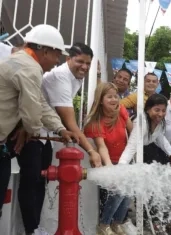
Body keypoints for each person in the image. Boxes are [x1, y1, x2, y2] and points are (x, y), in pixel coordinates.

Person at [0, 25, 78, 235]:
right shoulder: (30, 68)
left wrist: (61, 129)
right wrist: (31, 129)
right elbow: (33, 114)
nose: (57, 61)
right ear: (45, 50)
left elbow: (41, 105)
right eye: (56, 55)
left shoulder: (22, 63)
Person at [84, 83, 135, 235]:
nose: (114, 99)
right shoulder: (95, 122)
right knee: (118, 192)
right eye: (109, 97)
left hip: (125, 158)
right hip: (111, 161)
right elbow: (102, 147)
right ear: (100, 100)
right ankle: (104, 224)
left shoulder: (122, 111)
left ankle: (117, 222)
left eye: (116, 96)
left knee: (128, 192)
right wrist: (109, 168)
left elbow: (133, 134)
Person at [42, 42, 101, 167]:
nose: (84, 67)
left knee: (41, 180)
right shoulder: (61, 76)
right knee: (32, 180)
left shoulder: (76, 76)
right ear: (68, 59)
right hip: (31, 132)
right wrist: (91, 151)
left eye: (88, 63)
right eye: (80, 61)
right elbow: (70, 123)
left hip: (46, 132)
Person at [119, 94, 171, 165]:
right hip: (122, 151)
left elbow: (160, 139)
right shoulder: (142, 123)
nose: (160, 114)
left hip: (137, 152)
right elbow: (131, 147)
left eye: (163, 110)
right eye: (157, 110)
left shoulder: (160, 123)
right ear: (148, 110)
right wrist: (121, 168)